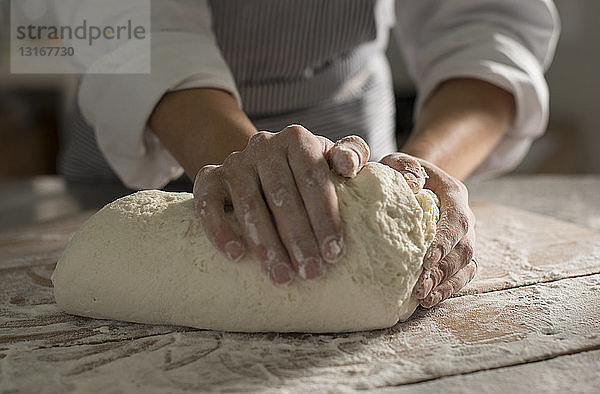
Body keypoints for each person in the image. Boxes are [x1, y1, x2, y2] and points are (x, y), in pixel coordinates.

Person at [59, 0, 560, 308]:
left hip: (350, 144)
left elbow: (488, 21)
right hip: (145, 126)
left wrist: (416, 184)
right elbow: (122, 24)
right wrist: (248, 168)